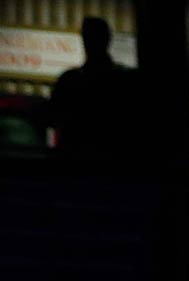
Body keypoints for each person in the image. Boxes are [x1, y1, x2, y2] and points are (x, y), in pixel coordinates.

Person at [47, 16, 141, 172]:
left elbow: (52, 117)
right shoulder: (126, 80)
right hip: (116, 168)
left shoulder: (70, 80)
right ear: (108, 39)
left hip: (75, 167)